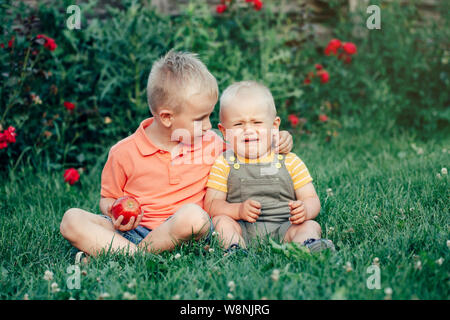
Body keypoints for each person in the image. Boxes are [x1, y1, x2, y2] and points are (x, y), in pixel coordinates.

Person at [59, 51, 293, 258]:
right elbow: (108, 198)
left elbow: (247, 152)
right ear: (167, 117)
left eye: (209, 115)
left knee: (195, 216)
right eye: (200, 118)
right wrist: (114, 212)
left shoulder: (211, 142)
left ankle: (123, 254)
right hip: (134, 230)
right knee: (71, 220)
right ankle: (136, 254)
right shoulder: (123, 152)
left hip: (184, 229)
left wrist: (277, 141)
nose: (208, 125)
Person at [204, 81, 335, 253]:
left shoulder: (290, 161)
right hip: (242, 228)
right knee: (221, 222)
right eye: (238, 124)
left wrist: (305, 209)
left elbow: (311, 198)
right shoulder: (224, 163)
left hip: (285, 226)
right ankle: (234, 248)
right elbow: (212, 205)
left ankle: (305, 245)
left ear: (274, 126)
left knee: (310, 224)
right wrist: (238, 209)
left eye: (257, 122)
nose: (248, 130)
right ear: (224, 131)